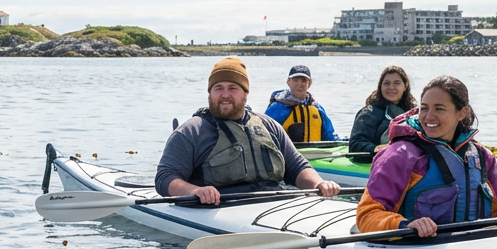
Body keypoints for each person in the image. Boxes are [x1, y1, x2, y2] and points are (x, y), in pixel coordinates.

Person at [357, 75, 497, 236]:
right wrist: (404, 224)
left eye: (440, 109)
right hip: (414, 248)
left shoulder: (482, 156)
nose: (429, 117)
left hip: (469, 246)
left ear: (462, 113)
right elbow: (367, 215)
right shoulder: (399, 156)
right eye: (424, 108)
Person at [156, 57, 341, 204]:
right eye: (218, 88)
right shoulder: (191, 132)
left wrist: (319, 184)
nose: (225, 94)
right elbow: (165, 178)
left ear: (245, 93)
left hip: (274, 204)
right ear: (210, 94)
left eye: (233, 88)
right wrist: (194, 191)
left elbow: (298, 167)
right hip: (219, 208)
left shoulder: (269, 126)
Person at [347, 65, 416, 154]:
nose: (391, 87)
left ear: (405, 86)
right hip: (374, 161)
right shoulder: (369, 113)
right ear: (380, 86)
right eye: (386, 83)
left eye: (397, 83)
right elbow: (355, 144)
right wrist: (379, 149)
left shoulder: (412, 114)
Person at [264, 65, 338, 143]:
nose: (300, 84)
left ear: (309, 83)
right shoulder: (277, 108)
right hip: (287, 154)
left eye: (303, 80)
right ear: (288, 82)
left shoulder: (317, 108)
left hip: (316, 154)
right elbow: (264, 135)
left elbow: (330, 136)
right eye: (296, 80)